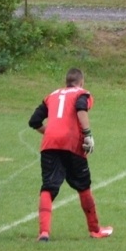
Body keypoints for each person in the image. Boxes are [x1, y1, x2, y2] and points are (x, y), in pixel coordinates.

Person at [28, 68, 113, 241]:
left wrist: (51, 133)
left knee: (48, 187)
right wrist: (87, 134)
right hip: (72, 144)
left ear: (66, 82)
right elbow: (81, 107)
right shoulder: (82, 93)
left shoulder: (52, 95)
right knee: (83, 186)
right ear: (81, 82)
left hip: (50, 144)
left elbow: (34, 121)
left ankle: (44, 232)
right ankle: (95, 229)